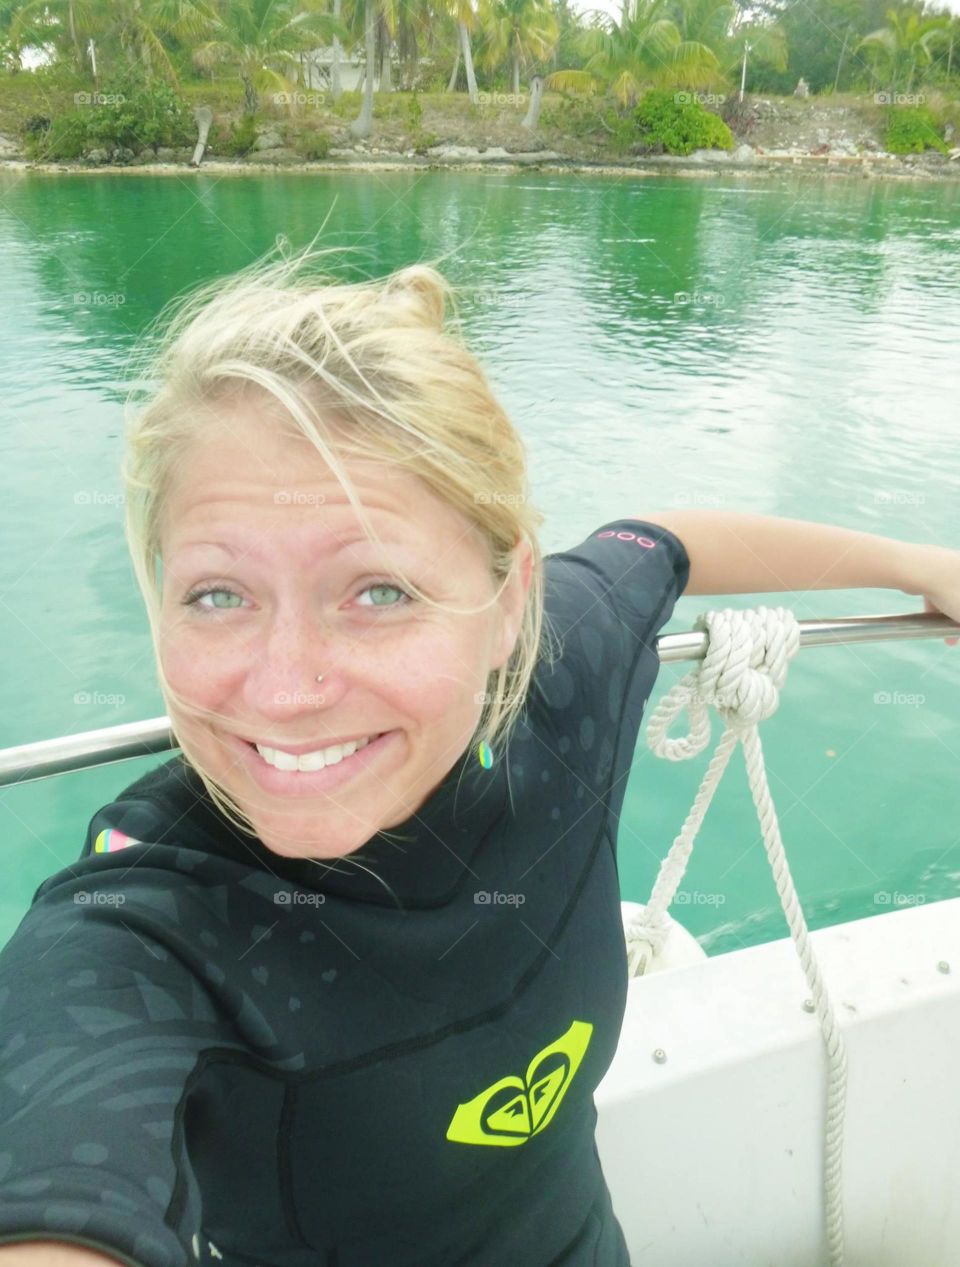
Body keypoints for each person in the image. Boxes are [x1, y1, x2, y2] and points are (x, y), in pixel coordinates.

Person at [0, 247, 693, 1267]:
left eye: (378, 591)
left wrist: (922, 567)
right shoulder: (144, 927)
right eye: (218, 594)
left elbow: (657, 544)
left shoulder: (564, 684)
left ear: (507, 605)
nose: (284, 687)